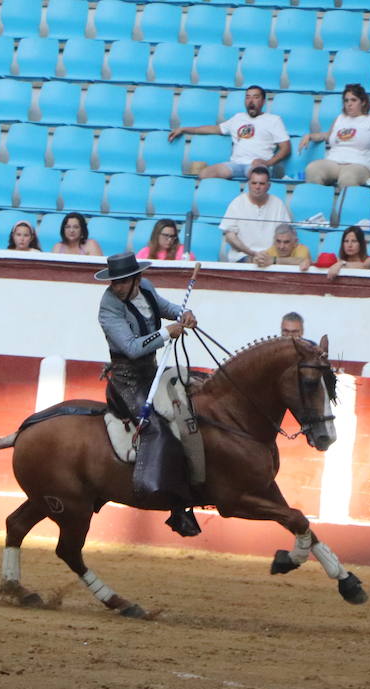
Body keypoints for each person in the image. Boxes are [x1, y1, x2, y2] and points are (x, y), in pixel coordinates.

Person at [95, 252, 199, 537]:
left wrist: (183, 314)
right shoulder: (108, 307)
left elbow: (167, 308)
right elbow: (130, 347)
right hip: (127, 381)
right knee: (154, 428)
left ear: (135, 279)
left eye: (120, 282)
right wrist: (168, 333)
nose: (115, 287)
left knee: (192, 403)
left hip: (151, 372)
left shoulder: (147, 288)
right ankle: (165, 499)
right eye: (114, 282)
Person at [168, 85, 291, 180]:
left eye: (256, 97)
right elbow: (215, 129)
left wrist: (268, 163)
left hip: (257, 166)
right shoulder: (238, 118)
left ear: (263, 101)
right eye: (247, 97)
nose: (251, 101)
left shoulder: (273, 120)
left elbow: (286, 148)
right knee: (205, 174)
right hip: (236, 165)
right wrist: (184, 129)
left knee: (256, 176)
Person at [298, 83, 370, 188]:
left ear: (363, 102)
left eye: (353, 100)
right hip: (333, 161)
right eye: (346, 100)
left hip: (360, 164)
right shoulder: (340, 118)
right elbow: (328, 135)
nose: (349, 104)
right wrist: (310, 136)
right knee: (312, 170)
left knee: (348, 178)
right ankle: (319, 203)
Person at [219, 165, 292, 263]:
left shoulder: (278, 204)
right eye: (254, 183)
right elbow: (229, 236)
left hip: (271, 257)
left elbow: (285, 234)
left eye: (261, 183)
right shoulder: (237, 203)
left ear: (268, 186)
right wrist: (252, 253)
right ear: (248, 184)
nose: (257, 187)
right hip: (243, 256)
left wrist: (270, 257)